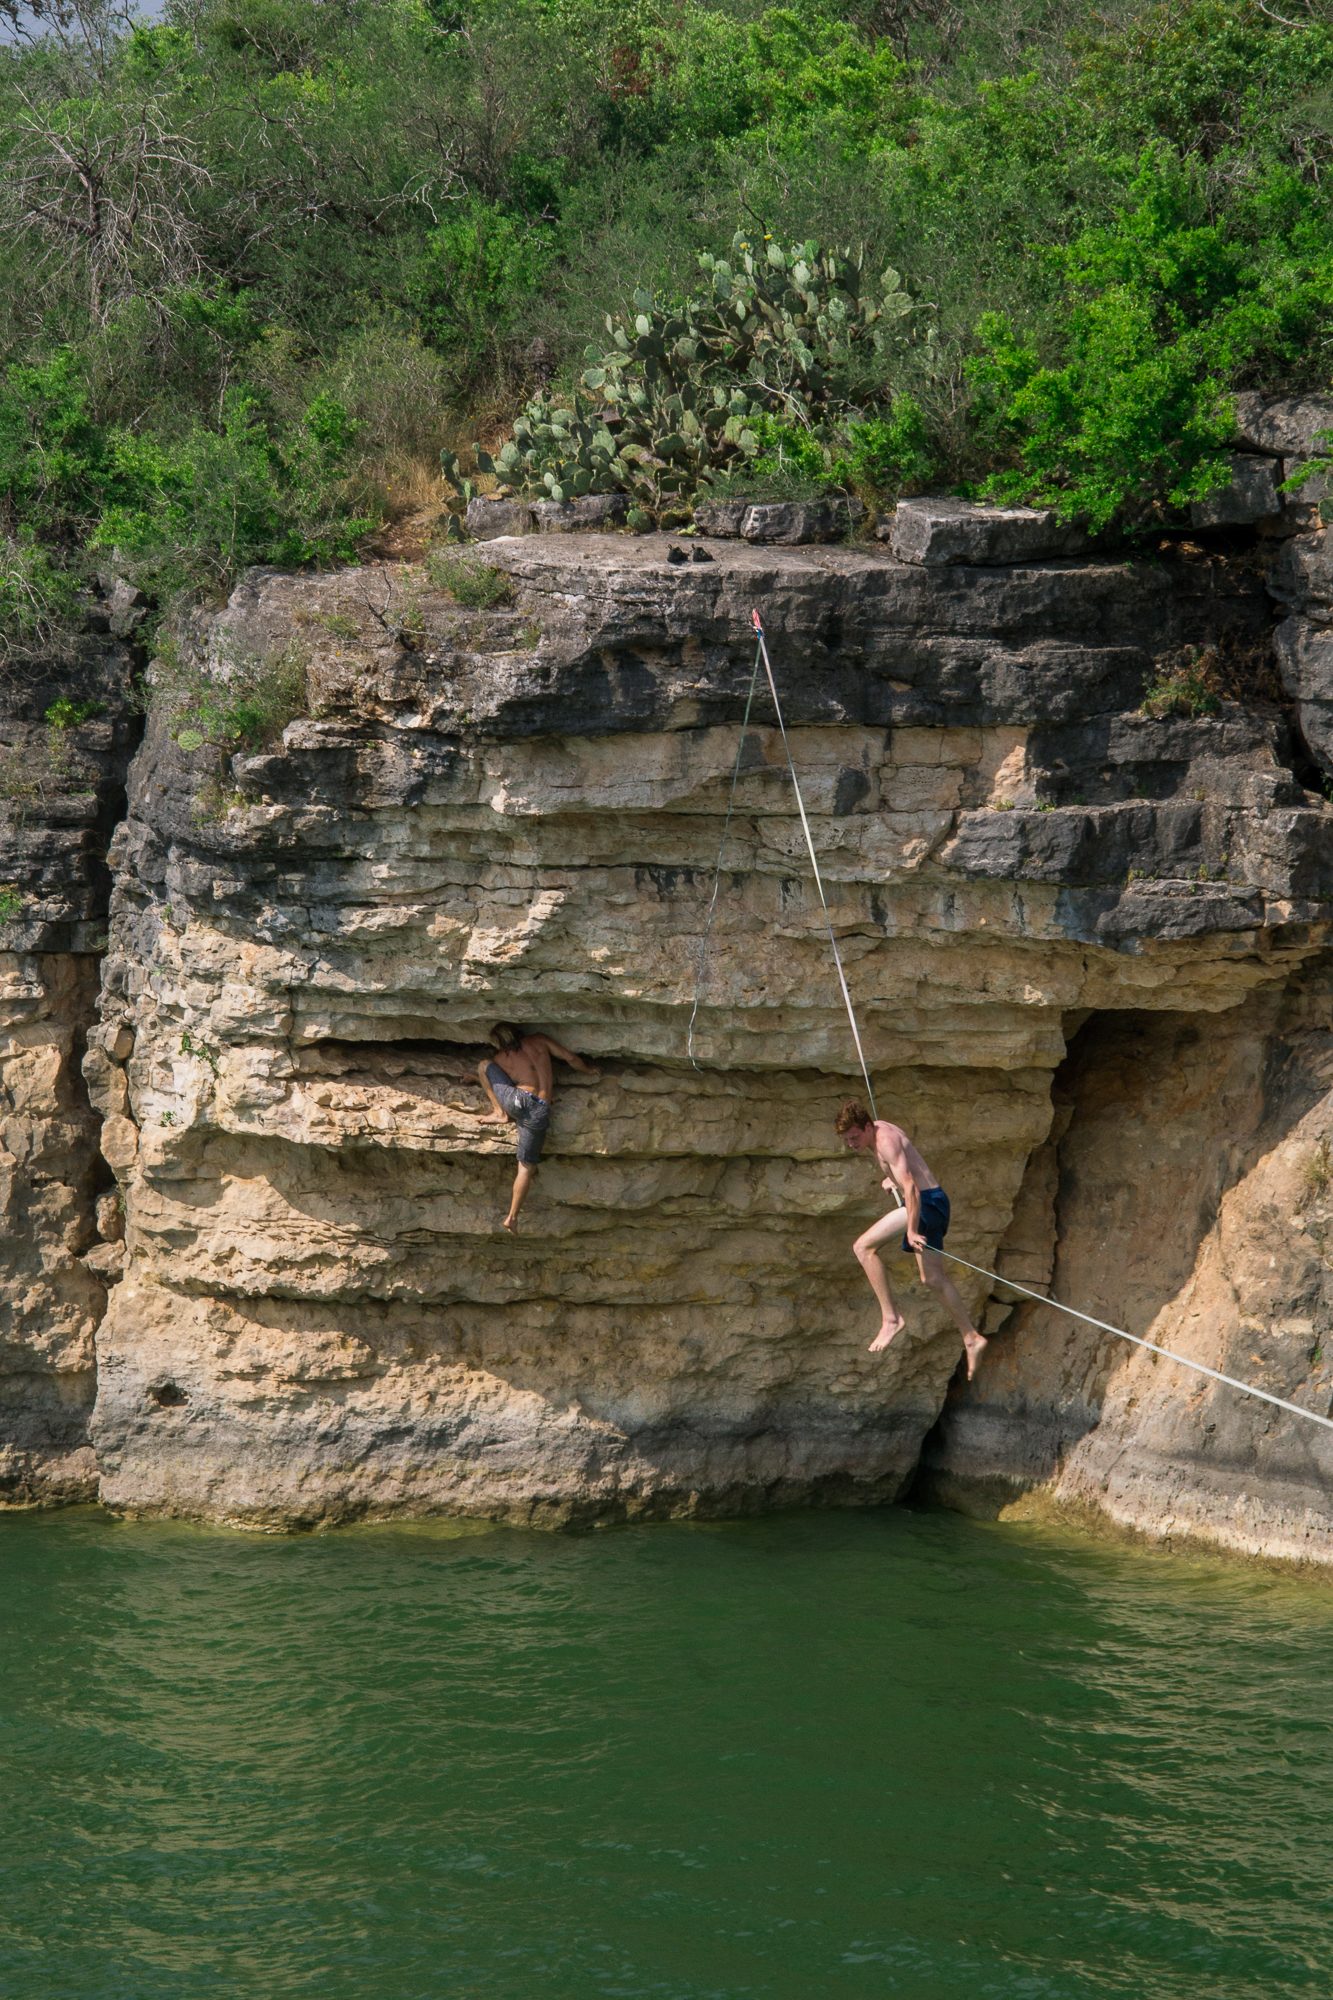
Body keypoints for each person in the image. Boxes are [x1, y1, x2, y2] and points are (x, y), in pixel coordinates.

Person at [834, 1100, 987, 1380]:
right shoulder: (879, 1130)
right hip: (934, 1201)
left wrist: (912, 1230)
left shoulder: (885, 1140)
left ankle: (891, 1319)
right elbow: (907, 1171)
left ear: (867, 1127)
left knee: (863, 1247)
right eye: (846, 1140)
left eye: (854, 1137)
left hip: (925, 1203)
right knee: (933, 1279)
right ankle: (971, 1337)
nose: (852, 1144)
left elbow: (912, 1188)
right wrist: (890, 1179)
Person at [477, 1022, 599, 1232]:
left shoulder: (502, 1057)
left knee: (483, 1066)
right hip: (540, 1109)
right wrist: (588, 1070)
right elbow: (570, 1058)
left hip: (517, 1101)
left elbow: (501, 1080)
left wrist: (477, 1078)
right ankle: (512, 1217)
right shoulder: (540, 1040)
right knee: (526, 1167)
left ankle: (499, 1113)